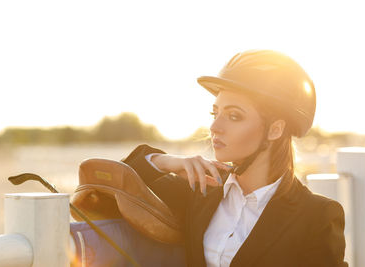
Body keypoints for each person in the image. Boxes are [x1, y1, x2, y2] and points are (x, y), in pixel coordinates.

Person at [120, 49, 348, 267]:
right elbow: (106, 189)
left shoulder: (317, 216)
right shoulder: (200, 187)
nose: (215, 127)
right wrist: (164, 162)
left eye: (234, 116)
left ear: (275, 130)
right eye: (215, 113)